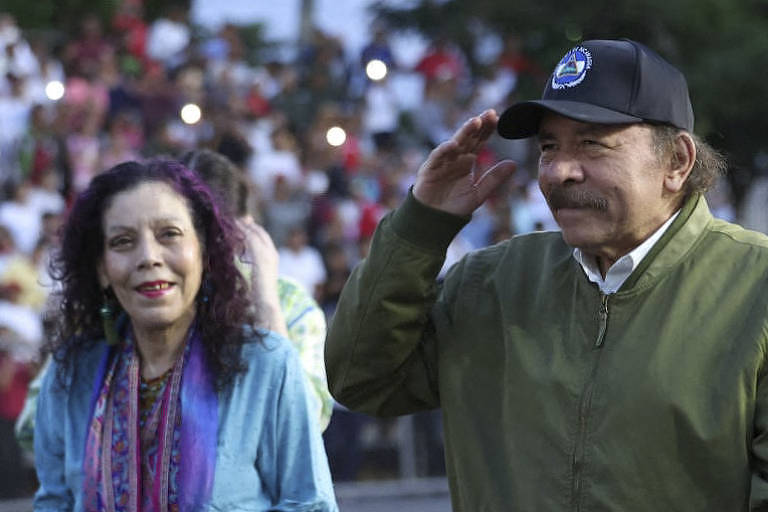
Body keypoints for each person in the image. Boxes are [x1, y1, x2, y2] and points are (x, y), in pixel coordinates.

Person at [325, 38, 767, 511]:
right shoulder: (490, 282)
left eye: (592, 144)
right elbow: (358, 378)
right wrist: (420, 225)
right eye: (548, 147)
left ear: (676, 162)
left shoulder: (754, 287)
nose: (559, 171)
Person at [34, 159, 337, 510]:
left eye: (169, 235)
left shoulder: (266, 365)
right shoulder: (69, 375)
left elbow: (310, 504)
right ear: (102, 268)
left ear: (205, 252)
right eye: (122, 241)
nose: (149, 257)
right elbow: (52, 503)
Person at [180, 148, 334, 431]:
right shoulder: (161, 299)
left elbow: (306, 420)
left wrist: (265, 302)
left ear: (245, 228)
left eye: (212, 235)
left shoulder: (290, 302)